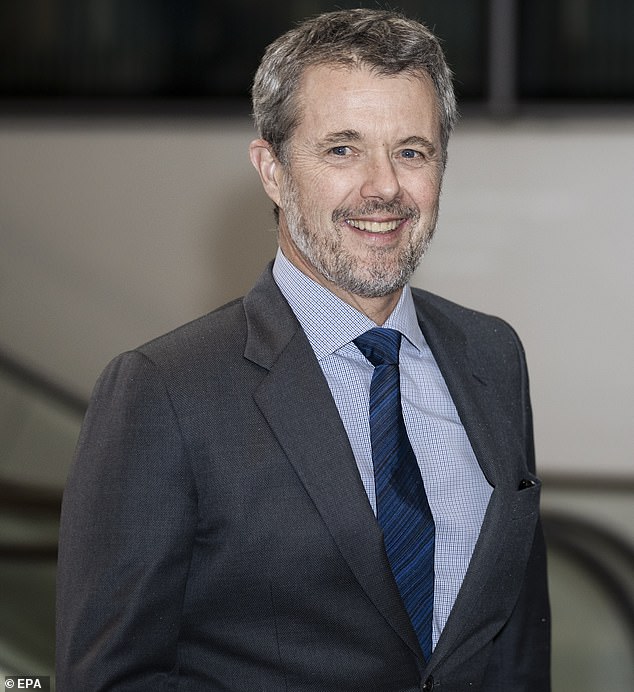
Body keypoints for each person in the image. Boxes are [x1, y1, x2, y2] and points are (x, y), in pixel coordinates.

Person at [56, 8, 550, 691]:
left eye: (412, 150)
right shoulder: (162, 391)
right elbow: (111, 678)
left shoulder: (492, 356)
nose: (384, 187)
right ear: (273, 169)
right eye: (342, 149)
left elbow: (516, 640)